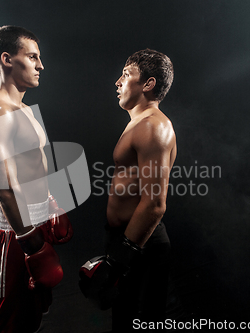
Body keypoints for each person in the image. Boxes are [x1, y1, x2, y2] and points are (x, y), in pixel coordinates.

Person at [0, 26, 72, 333]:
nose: (40, 65)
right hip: (15, 234)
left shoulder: (26, 110)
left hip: (36, 223)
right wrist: (31, 243)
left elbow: (34, 167)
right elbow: (4, 188)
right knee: (6, 322)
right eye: (32, 57)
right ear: (7, 59)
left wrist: (51, 204)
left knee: (31, 317)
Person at [79, 49, 176, 332]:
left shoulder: (153, 127)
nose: (118, 82)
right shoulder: (137, 123)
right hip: (125, 241)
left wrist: (121, 258)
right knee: (123, 321)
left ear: (148, 84)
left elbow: (155, 205)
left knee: (141, 323)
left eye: (126, 74)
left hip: (141, 244)